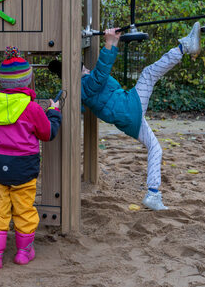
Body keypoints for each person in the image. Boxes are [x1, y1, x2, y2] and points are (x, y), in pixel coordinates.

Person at [81, 22, 202, 211]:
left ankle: (153, 194)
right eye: (84, 70)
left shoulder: (84, 89)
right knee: (148, 74)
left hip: (128, 118)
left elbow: (100, 80)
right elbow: (101, 72)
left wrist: (115, 41)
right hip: (129, 108)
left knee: (155, 148)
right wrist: (109, 43)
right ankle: (185, 46)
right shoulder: (86, 84)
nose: (88, 71)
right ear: (76, 74)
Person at [0, 46, 62, 269]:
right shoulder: (32, 108)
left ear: (2, 81)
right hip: (24, 167)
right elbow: (47, 133)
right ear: (27, 81)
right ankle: (23, 252)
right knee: (24, 208)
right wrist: (54, 113)